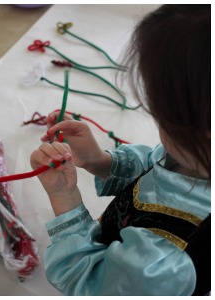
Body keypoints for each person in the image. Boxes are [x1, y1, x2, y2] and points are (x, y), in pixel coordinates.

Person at [29, 5, 209, 295]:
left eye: (160, 116)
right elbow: (156, 163)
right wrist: (100, 162)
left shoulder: (164, 265)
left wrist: (64, 198)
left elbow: (93, 282)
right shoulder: (198, 157)